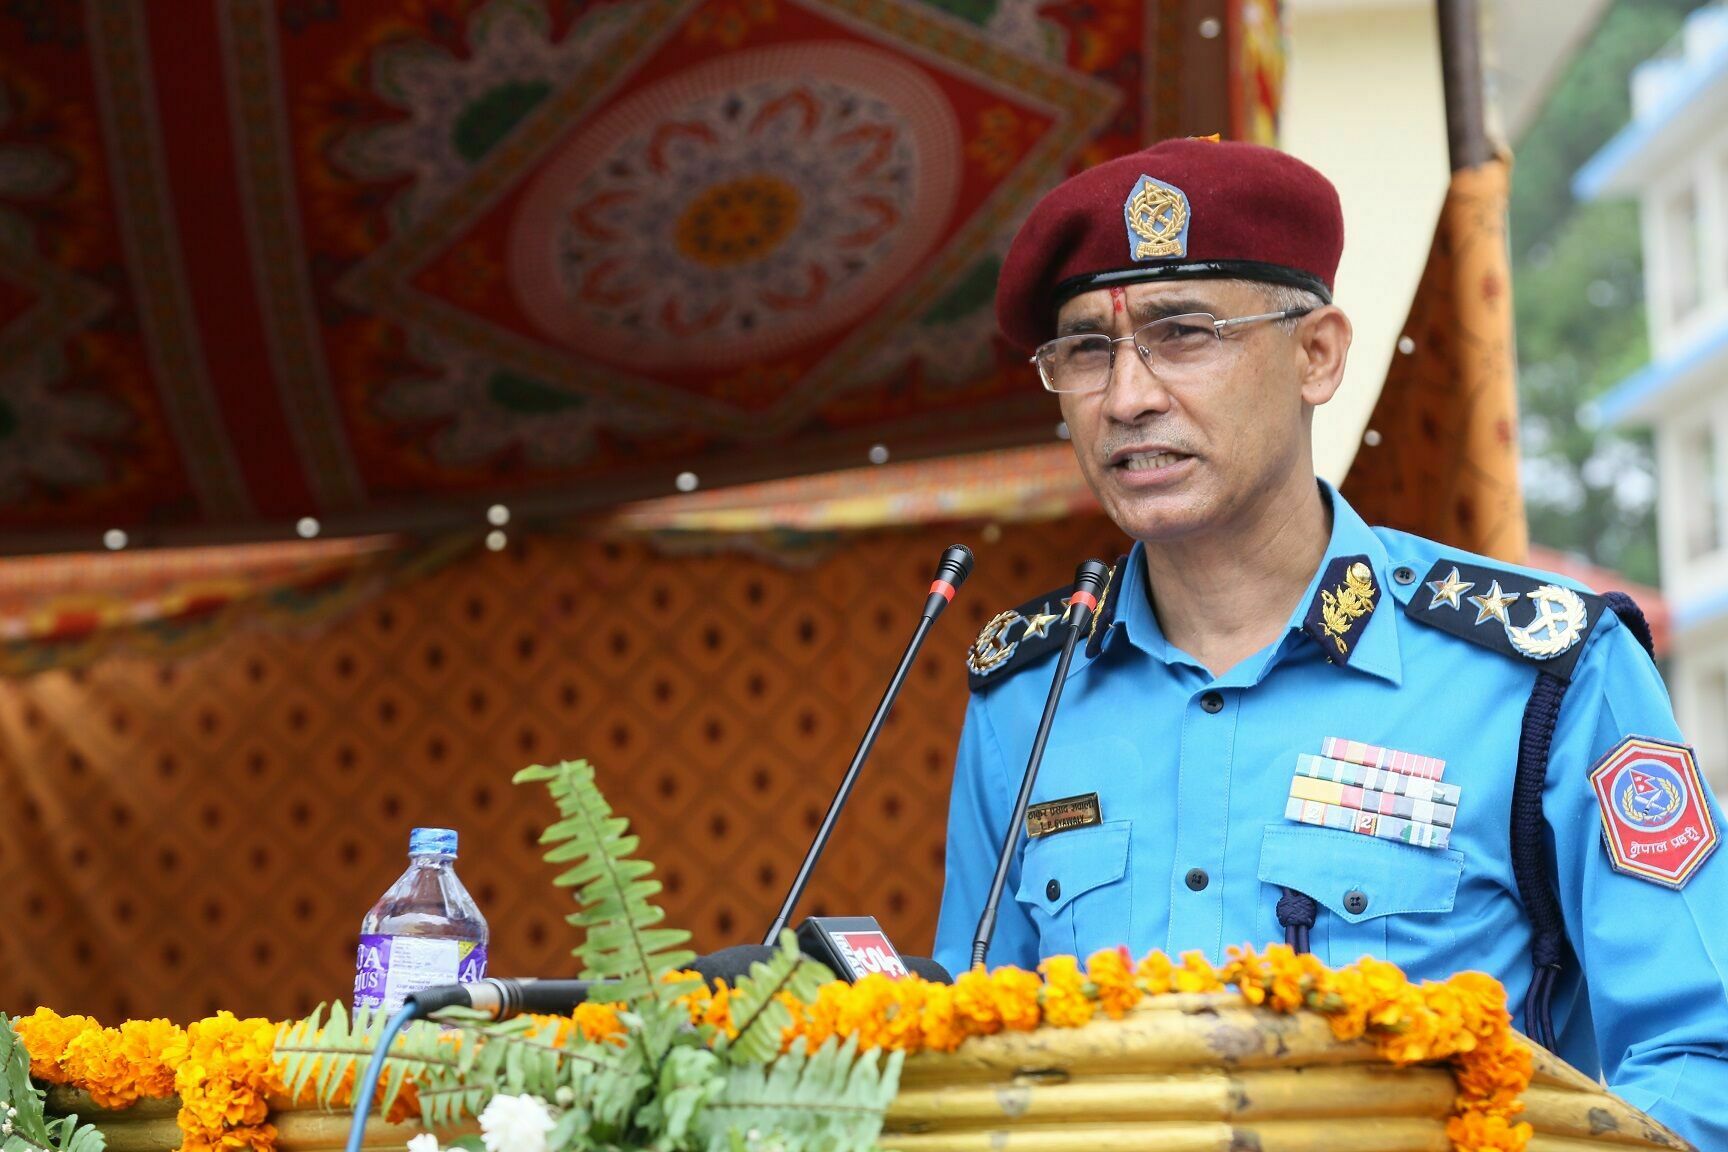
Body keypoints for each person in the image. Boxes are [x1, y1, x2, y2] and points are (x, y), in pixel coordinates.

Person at [930, 137, 1728, 1147]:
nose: (1127, 397)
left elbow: (1702, 1057)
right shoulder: (1025, 696)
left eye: (1183, 334)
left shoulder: (1542, 672)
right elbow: (965, 1065)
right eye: (1087, 351)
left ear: (1318, 354)